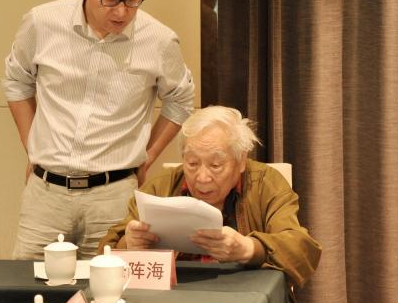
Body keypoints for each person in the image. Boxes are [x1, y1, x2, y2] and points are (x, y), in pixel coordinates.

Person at [0, 0, 195, 260]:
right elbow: (17, 80)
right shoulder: (42, 23)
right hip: (46, 195)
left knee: (112, 283)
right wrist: (32, 144)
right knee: (27, 283)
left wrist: (147, 155)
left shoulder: (159, 40)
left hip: (114, 195)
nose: (122, 12)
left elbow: (181, 100)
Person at [99, 105, 322, 297]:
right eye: (192, 164)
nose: (202, 177)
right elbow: (105, 250)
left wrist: (249, 248)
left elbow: (301, 249)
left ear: (241, 161)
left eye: (215, 165)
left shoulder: (265, 184)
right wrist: (129, 244)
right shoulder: (161, 186)